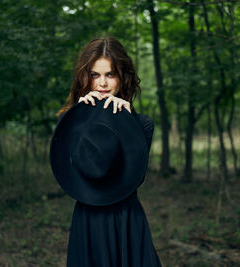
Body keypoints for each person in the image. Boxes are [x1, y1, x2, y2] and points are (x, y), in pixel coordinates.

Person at [50, 37, 162, 267]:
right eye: (94, 75)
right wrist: (79, 118)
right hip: (88, 222)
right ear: (85, 77)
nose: (102, 83)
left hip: (127, 221)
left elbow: (135, 178)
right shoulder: (68, 120)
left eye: (110, 74)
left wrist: (127, 121)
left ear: (123, 78)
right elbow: (68, 170)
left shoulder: (142, 124)